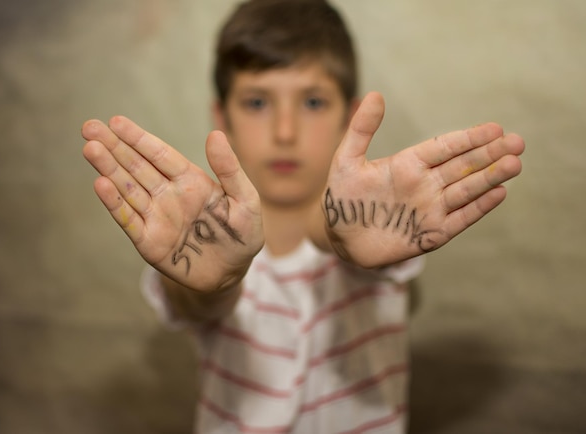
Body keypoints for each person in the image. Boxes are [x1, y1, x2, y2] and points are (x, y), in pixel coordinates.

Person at [81, 0, 525, 432]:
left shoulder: (381, 221)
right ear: (222, 118)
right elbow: (195, 300)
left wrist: (340, 231)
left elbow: (332, 232)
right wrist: (209, 286)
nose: (285, 131)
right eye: (257, 103)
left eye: (312, 102)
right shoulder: (200, 232)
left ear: (349, 118)